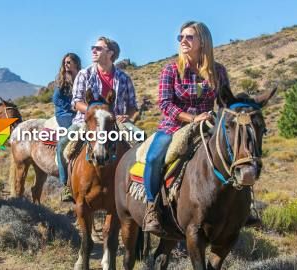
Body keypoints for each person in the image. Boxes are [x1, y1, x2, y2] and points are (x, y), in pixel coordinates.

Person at [142, 21, 230, 233]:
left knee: (238, 153)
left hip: (209, 125)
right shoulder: (171, 70)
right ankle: (151, 207)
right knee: (154, 158)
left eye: (189, 37)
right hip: (174, 126)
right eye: (180, 37)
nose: (183, 41)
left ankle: (245, 207)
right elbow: (164, 103)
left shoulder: (218, 71)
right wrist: (191, 118)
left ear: (203, 41)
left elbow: (225, 101)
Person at [57, 36, 140, 202]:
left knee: (142, 143)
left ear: (111, 53)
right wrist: (93, 112)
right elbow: (76, 102)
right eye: (93, 48)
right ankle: (66, 185)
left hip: (116, 122)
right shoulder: (84, 74)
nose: (93, 50)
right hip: (86, 121)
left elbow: (133, 106)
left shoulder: (124, 78)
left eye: (98, 48)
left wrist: (128, 116)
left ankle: (138, 188)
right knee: (62, 146)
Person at [53, 53, 81, 201]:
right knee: (64, 142)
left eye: (69, 62)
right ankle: (64, 184)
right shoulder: (62, 79)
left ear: (76, 63)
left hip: (79, 112)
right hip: (64, 114)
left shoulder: (82, 77)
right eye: (65, 62)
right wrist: (71, 108)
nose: (67, 65)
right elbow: (56, 99)